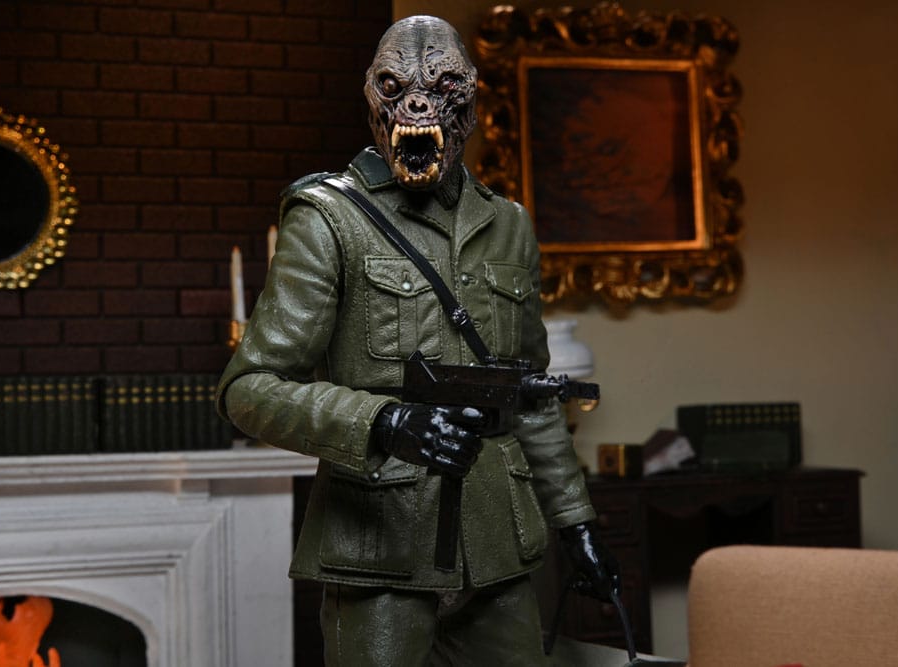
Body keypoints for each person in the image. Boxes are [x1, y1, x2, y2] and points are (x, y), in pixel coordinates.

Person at [216, 15, 619, 666]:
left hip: (497, 544)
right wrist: (384, 420)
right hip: (380, 546)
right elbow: (250, 390)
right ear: (370, 97)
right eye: (394, 86)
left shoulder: (509, 225)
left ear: (472, 101)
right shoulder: (328, 218)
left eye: (443, 86)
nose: (419, 104)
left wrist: (577, 523)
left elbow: (531, 397)